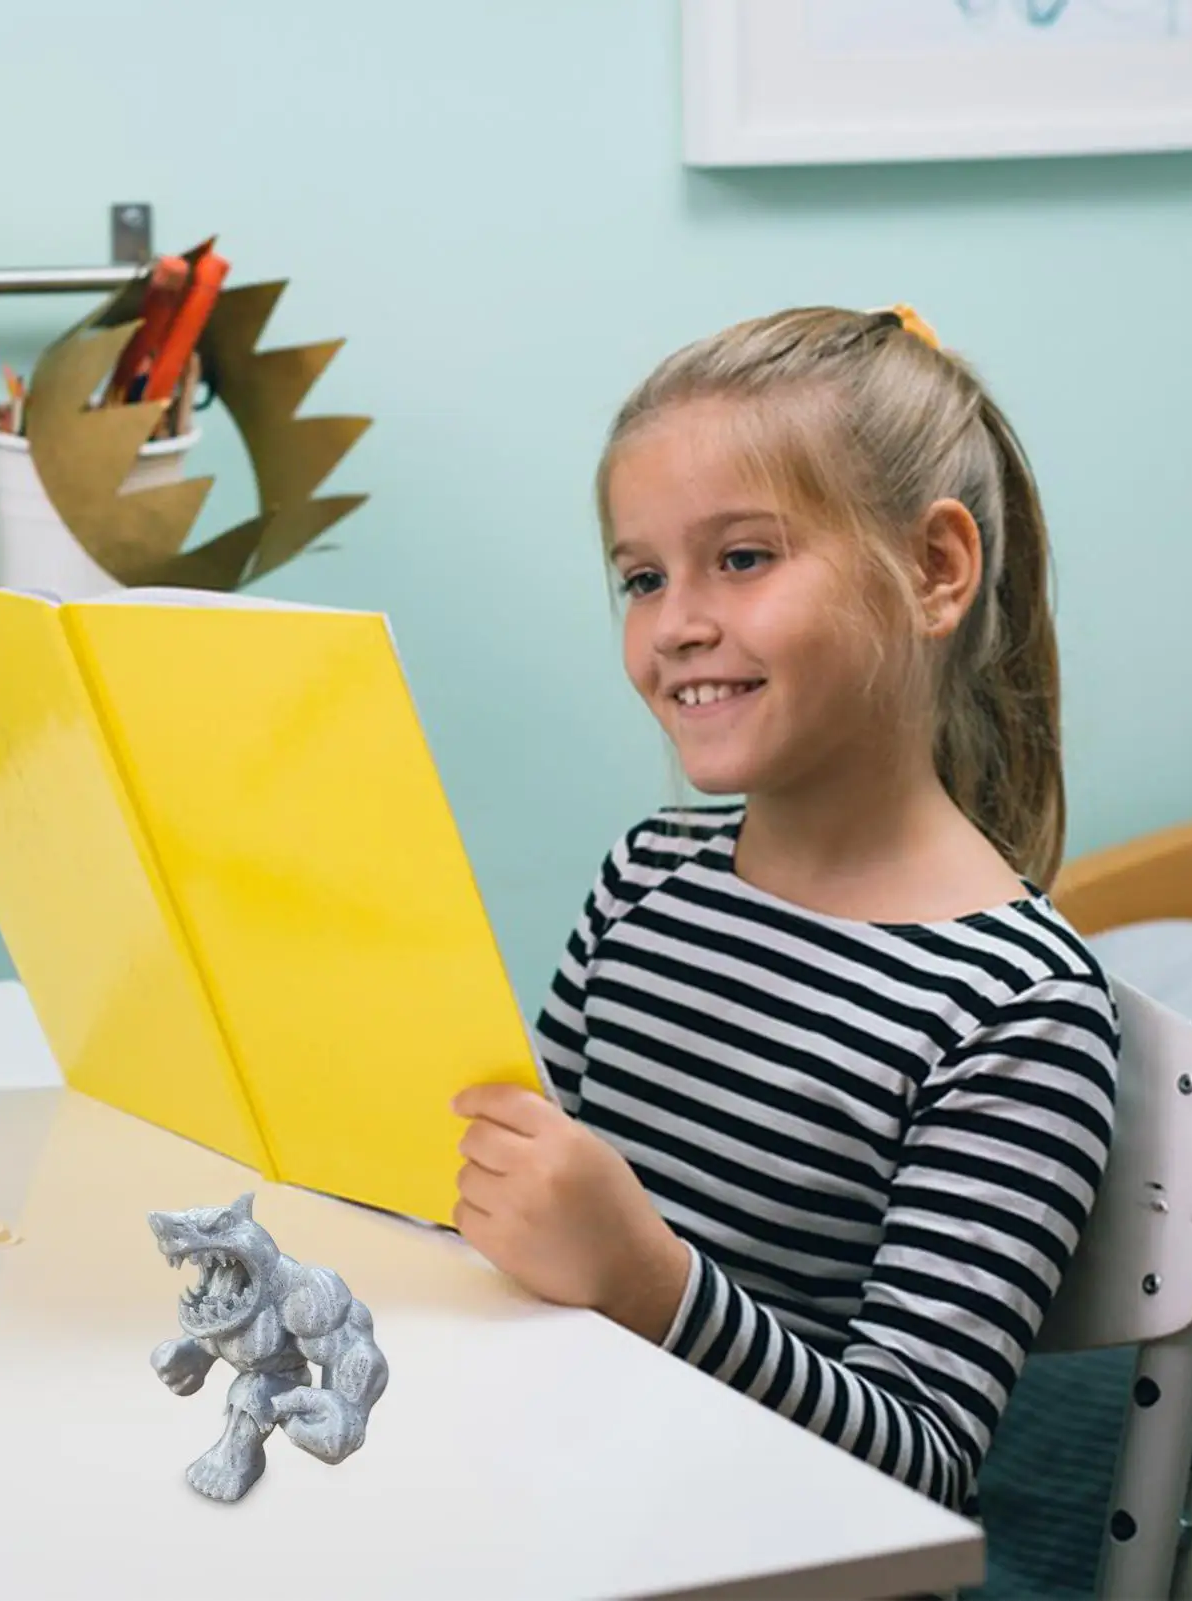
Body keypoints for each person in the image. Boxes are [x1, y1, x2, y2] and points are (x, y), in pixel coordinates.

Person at [451, 304, 1118, 1515]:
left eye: (742, 558)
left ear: (933, 570)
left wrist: (647, 1281)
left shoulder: (1018, 1005)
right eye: (642, 577)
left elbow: (918, 1455)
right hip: (554, 1487)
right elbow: (512, 1224)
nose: (677, 623)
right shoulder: (645, 879)